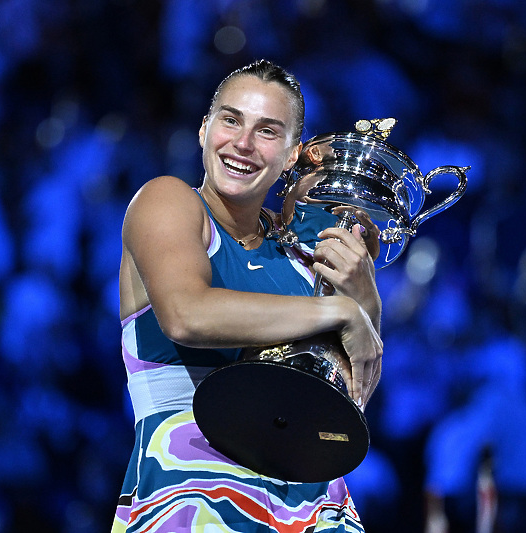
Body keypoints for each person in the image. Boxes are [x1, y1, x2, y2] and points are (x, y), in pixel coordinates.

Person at [112, 59, 383, 532]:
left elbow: (345, 400)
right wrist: (338, 310)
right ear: (203, 129)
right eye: (231, 119)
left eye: (267, 131)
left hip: (310, 500)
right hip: (194, 490)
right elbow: (186, 315)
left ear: (292, 154)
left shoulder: (302, 255)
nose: (242, 143)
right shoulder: (168, 201)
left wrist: (366, 304)